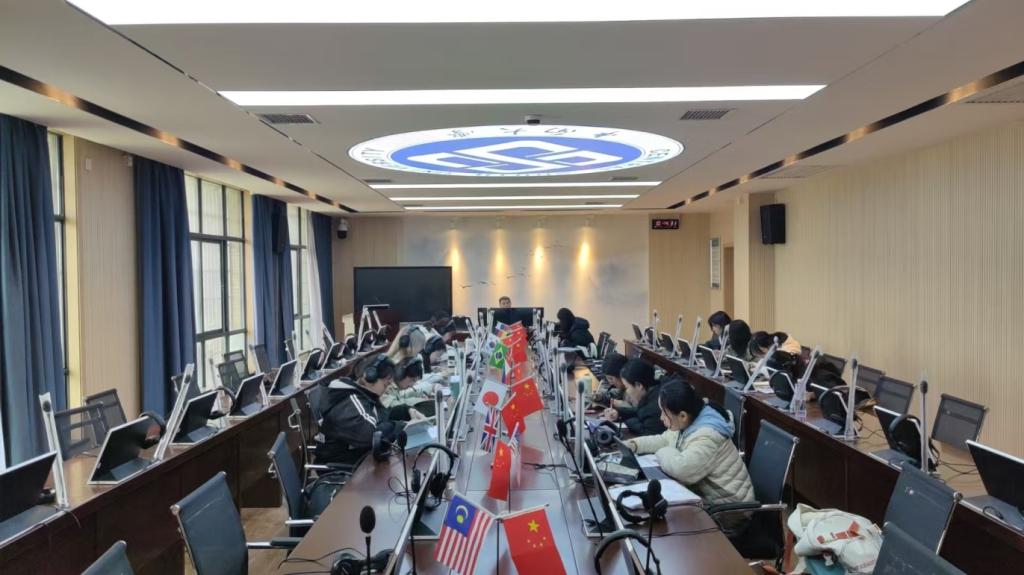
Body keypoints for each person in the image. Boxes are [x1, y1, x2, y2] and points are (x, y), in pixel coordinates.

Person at [623, 379, 754, 507]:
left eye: (664, 413)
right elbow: (664, 439)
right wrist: (634, 444)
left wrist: (661, 451)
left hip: (729, 507)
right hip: (706, 497)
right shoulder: (689, 419)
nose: (661, 418)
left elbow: (682, 470)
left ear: (683, 416)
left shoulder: (708, 436)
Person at [317, 355, 405, 466]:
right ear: (370, 377)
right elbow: (372, 435)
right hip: (343, 465)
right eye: (385, 384)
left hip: (358, 457)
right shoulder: (350, 400)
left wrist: (405, 411)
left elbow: (380, 417)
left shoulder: (363, 394)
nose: (386, 389)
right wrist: (400, 426)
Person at [601, 358, 666, 436]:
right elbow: (639, 412)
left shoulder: (656, 406)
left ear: (639, 385)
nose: (627, 391)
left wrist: (625, 422)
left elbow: (646, 432)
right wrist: (618, 413)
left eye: (627, 387)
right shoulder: (654, 391)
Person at [381, 356, 436, 420]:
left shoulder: (396, 386)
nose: (411, 385)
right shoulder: (385, 386)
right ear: (400, 374)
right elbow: (394, 405)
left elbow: (403, 395)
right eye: (412, 380)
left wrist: (422, 392)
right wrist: (420, 400)